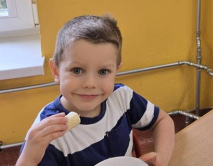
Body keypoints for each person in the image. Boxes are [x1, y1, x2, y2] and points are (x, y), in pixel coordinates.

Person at [16, 15, 175, 166]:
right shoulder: (49, 133)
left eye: (103, 72)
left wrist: (162, 156)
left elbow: (162, 120)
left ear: (116, 71)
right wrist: (28, 158)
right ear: (56, 71)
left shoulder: (122, 97)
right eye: (77, 70)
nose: (90, 84)